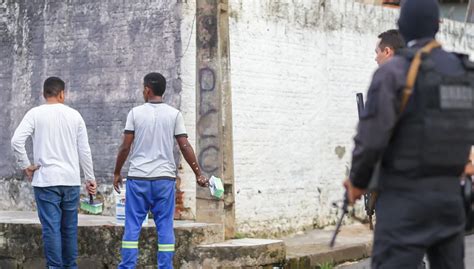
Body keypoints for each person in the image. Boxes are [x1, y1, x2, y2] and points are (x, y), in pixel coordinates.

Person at [344, 0, 474, 268]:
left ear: (402, 26)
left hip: (404, 200)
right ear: (438, 26)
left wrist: (357, 181)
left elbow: (371, 137)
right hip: (450, 199)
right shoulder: (463, 72)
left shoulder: (393, 72)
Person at [113, 72, 208, 269]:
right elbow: (184, 146)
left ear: (147, 89)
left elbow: (125, 147)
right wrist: (198, 173)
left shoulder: (135, 113)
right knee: (165, 226)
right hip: (164, 180)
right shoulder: (174, 114)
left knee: (132, 226)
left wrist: (117, 172)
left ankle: (127, 266)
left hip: (138, 178)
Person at [11, 77, 97, 269]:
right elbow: (84, 150)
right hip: (71, 180)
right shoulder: (75, 116)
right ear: (62, 94)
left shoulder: (35, 114)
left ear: (44, 94)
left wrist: (26, 165)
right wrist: (90, 179)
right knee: (69, 229)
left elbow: (16, 140)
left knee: (51, 229)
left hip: (45, 181)